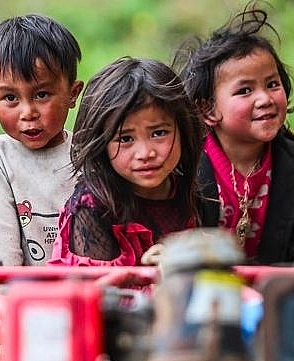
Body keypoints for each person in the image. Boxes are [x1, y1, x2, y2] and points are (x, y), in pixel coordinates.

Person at [172, 7, 294, 266]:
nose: (265, 99)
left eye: (272, 84)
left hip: (273, 293)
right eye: (245, 90)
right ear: (208, 109)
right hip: (202, 294)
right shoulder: (184, 165)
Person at [48, 57, 204, 266]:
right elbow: (97, 292)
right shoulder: (93, 207)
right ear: (102, 145)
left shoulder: (186, 190)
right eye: (125, 139)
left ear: (183, 130)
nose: (145, 153)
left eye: (158, 133)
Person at [0, 14, 84, 266]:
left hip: (85, 292)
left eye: (42, 94)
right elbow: (2, 255)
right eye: (10, 98)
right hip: (17, 297)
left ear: (72, 94)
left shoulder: (88, 154)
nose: (27, 112)